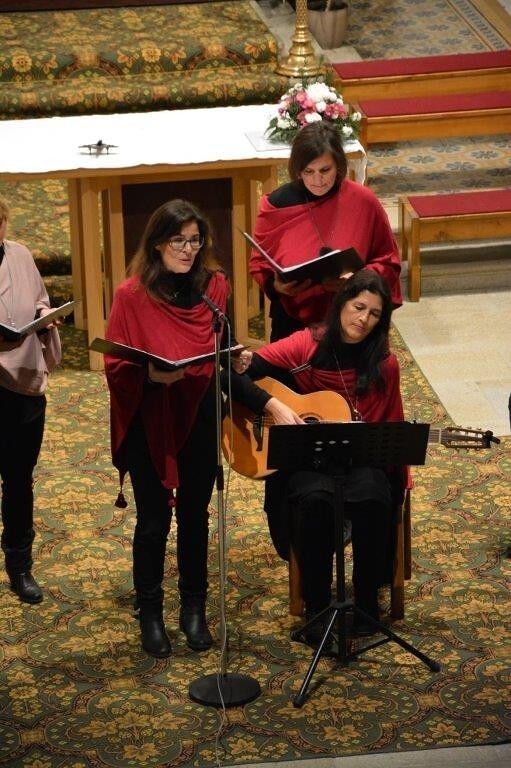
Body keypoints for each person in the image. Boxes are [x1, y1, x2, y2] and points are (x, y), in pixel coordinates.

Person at [223, 270, 407, 646]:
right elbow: (235, 374)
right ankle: (317, 608)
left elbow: (391, 429)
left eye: (374, 314)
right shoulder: (307, 344)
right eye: (358, 307)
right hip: (307, 459)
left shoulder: (385, 364)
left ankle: (367, 603)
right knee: (314, 501)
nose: (363, 319)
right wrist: (273, 406)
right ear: (341, 304)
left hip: (359, 459)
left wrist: (397, 477)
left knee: (375, 496)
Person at [104, 199, 230, 659]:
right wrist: (151, 376)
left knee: (195, 516)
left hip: (199, 412)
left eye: (195, 240)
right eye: (178, 240)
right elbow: (115, 365)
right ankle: (151, 612)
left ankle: (193, 608)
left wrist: (234, 357)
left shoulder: (214, 288)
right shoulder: (132, 295)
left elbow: (222, 344)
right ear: (157, 243)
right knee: (154, 521)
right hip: (151, 418)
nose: (188, 249)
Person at [250, 121, 402, 341]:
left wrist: (356, 281)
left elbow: (389, 260)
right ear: (298, 170)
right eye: (308, 171)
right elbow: (259, 262)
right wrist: (275, 286)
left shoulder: (363, 201)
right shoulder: (277, 204)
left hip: (353, 322)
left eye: (325, 170)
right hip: (293, 323)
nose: (317, 180)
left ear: (338, 165)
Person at [0, 195, 61, 604]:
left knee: (19, 479)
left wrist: (43, 320)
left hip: (21, 385)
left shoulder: (19, 255)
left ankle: (19, 565)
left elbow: (39, 300)